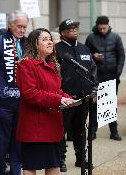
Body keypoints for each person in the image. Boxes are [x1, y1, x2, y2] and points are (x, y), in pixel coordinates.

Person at [16, 28, 75, 175]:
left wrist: (68, 98)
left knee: (54, 164)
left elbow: (57, 90)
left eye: (50, 39)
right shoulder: (26, 64)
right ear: (35, 44)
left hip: (52, 123)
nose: (49, 42)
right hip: (35, 126)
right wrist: (59, 99)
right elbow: (30, 94)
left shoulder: (53, 65)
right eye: (44, 39)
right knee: (31, 166)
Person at [0, 10, 28, 175]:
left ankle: (16, 171)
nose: (22, 30)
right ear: (10, 25)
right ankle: (0, 171)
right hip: (2, 100)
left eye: (24, 27)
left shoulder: (27, 43)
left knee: (18, 140)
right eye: (19, 26)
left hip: (21, 101)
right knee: (2, 141)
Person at [56, 19, 97, 172]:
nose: (75, 30)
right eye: (70, 28)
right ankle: (60, 159)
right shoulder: (56, 50)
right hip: (66, 99)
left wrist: (94, 86)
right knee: (62, 130)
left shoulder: (84, 48)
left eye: (76, 28)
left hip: (83, 97)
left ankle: (81, 158)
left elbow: (92, 69)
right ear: (63, 33)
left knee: (80, 129)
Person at [85, 16, 125, 141]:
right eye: (100, 28)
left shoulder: (116, 37)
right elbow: (85, 55)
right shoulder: (91, 37)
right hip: (97, 75)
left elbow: (121, 56)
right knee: (96, 104)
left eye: (105, 28)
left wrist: (117, 73)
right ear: (97, 26)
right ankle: (92, 131)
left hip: (112, 74)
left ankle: (114, 131)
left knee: (110, 103)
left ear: (108, 26)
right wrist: (93, 56)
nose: (102, 30)